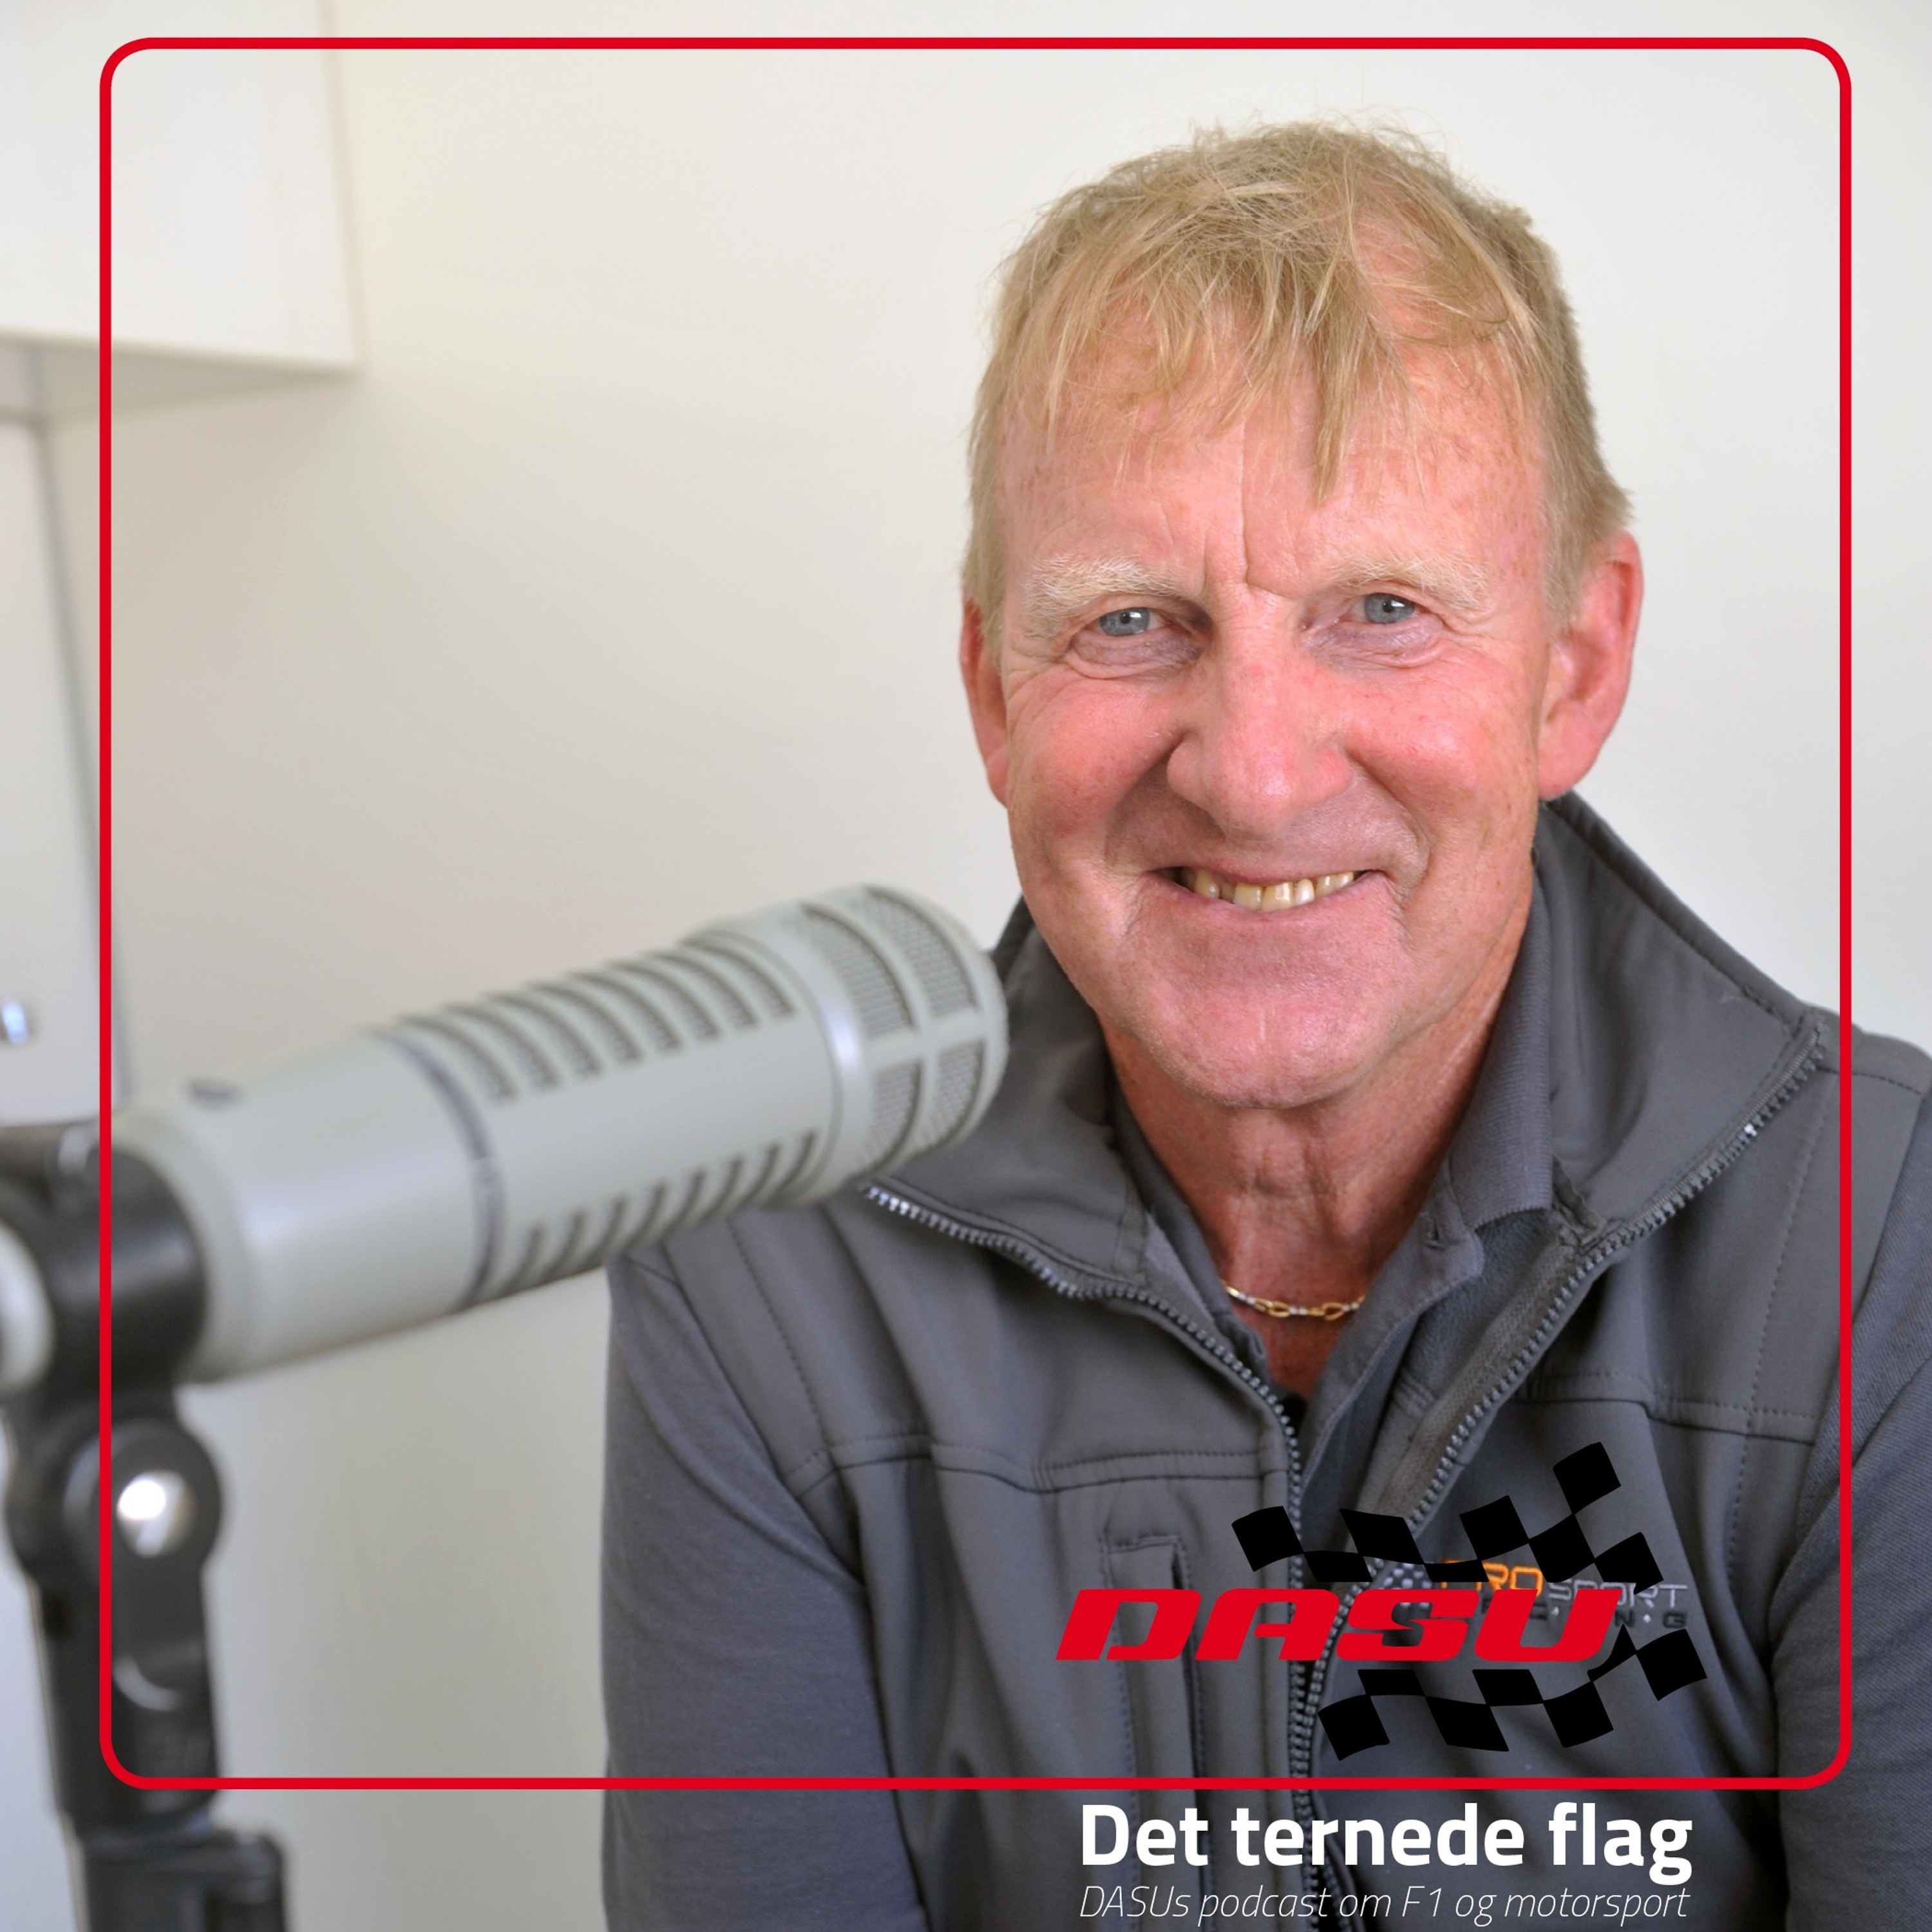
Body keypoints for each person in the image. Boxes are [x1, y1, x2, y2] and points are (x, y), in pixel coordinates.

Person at [599, 124, 1931, 1930]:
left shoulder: (1884, 1243)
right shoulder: (765, 1267)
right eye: (1131, 620)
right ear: (992, 688)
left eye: (1381, 610)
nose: (1253, 771)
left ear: (1575, 664)